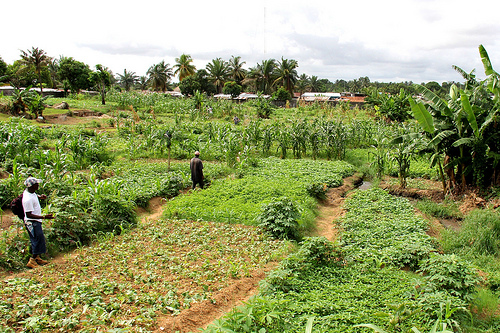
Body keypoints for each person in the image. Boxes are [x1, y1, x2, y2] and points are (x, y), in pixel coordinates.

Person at [22, 177, 54, 269]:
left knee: (39, 239)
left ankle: (37, 258)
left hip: (36, 222)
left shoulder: (31, 192)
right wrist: (44, 217)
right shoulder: (27, 199)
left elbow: (34, 197)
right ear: (32, 186)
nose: (38, 185)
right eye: (36, 184)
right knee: (36, 240)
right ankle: (32, 261)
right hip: (32, 223)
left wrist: (40, 197)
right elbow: (28, 215)